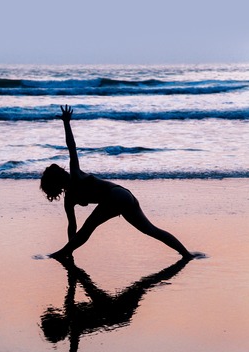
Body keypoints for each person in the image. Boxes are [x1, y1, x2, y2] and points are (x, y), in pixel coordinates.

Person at [40, 105, 196, 260]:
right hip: (123, 196)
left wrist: (66, 123)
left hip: (116, 195)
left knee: (89, 226)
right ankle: (186, 255)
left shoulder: (75, 175)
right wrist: (71, 250)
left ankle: (59, 255)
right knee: (150, 230)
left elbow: (71, 147)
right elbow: (72, 227)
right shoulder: (69, 200)